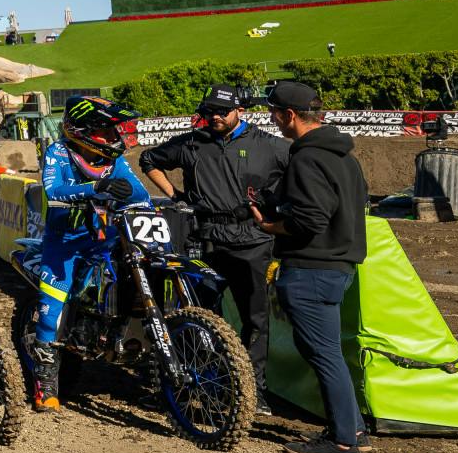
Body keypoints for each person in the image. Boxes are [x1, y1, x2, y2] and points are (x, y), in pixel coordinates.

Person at [140, 86, 288, 408]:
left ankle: (253, 391)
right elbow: (148, 158)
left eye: (222, 110)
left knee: (256, 319)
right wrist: (176, 196)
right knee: (199, 316)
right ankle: (201, 382)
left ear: (241, 110)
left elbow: (300, 179)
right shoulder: (193, 142)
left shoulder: (272, 146)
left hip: (253, 242)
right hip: (204, 240)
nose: (215, 117)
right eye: (209, 111)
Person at [253, 82, 372, 453]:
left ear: (290, 115)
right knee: (329, 351)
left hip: (311, 268)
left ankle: (342, 441)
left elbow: (309, 219)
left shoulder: (306, 158)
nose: (272, 119)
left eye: (274, 112)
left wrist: (270, 226)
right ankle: (352, 430)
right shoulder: (344, 156)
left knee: (323, 353)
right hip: (337, 265)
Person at [28, 95, 153, 413]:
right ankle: (46, 386)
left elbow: (140, 195)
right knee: (49, 312)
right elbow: (52, 189)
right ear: (84, 130)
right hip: (64, 246)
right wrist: (96, 189)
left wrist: (146, 207)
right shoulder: (59, 152)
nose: (116, 137)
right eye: (108, 131)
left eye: (116, 131)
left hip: (106, 242)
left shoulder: (115, 162)